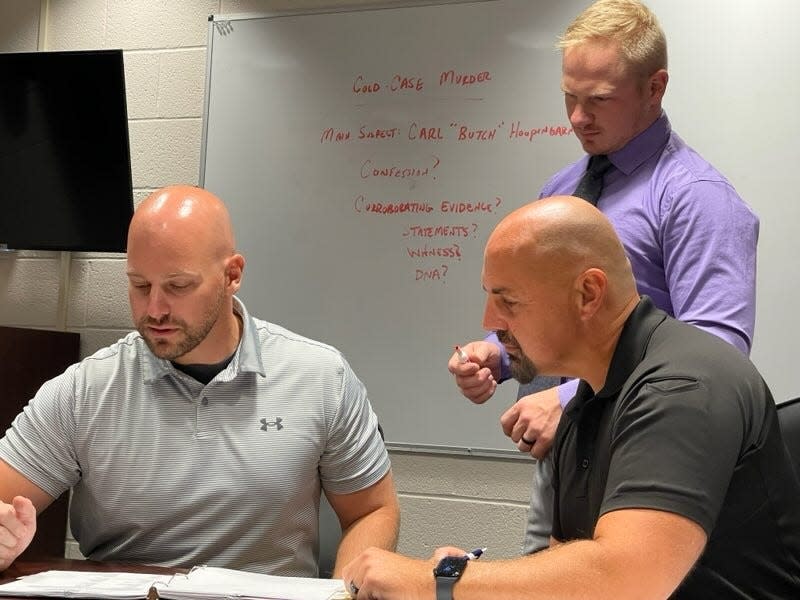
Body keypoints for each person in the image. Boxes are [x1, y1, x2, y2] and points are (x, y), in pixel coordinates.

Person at [344, 196, 800, 600]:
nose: (491, 321)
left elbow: (627, 581)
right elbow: (575, 566)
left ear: (588, 293)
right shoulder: (590, 397)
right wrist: (473, 580)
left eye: (508, 301)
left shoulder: (682, 387)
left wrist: (440, 584)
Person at [447, 0, 759, 553]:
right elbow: (558, 316)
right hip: (563, 459)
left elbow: (718, 351)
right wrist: (500, 353)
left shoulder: (696, 200)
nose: (577, 117)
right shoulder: (560, 191)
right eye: (569, 96)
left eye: (598, 100)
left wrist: (567, 399)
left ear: (654, 87)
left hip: (644, 465)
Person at [0, 185, 400, 576]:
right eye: (140, 285)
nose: (154, 309)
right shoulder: (85, 391)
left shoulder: (320, 377)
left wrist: (347, 589)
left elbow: (372, 510)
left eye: (178, 286)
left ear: (232, 275)